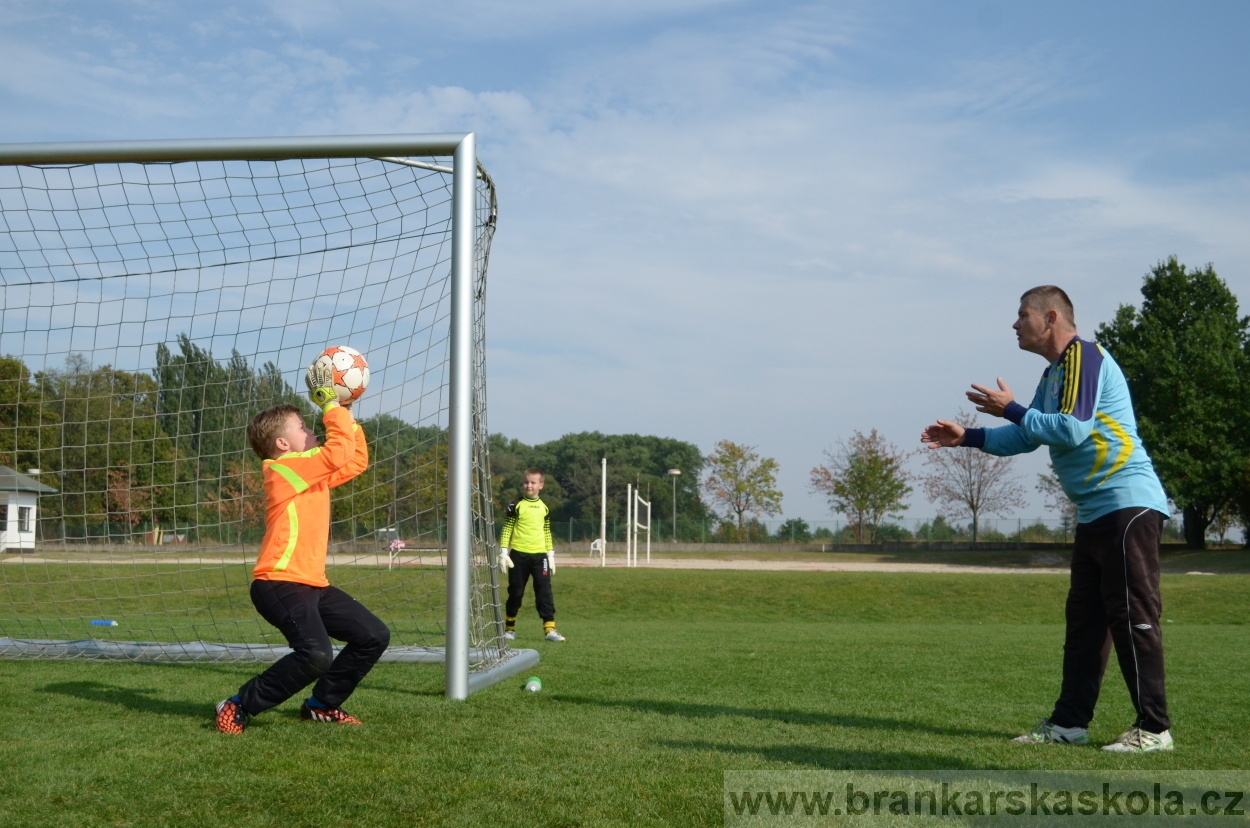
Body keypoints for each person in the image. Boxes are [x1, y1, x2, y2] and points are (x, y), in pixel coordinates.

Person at [921, 285, 1173, 753]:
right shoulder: (1055, 372)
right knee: (1085, 624)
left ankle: (1155, 730)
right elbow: (1025, 436)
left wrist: (1012, 408)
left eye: (1021, 315)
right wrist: (969, 437)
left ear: (1050, 317)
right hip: (1097, 511)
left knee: (1132, 616)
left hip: (1128, 503)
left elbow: (1072, 430)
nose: (1015, 325)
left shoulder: (1085, 357)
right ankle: (1069, 725)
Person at [215, 362, 390, 734]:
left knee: (373, 635)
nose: (312, 431)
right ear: (282, 443)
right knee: (315, 654)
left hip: (313, 584)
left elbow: (354, 460)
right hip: (278, 583)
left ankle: (322, 705)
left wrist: (344, 411)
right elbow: (337, 453)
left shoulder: (308, 471)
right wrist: (330, 406)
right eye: (303, 427)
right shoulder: (282, 469)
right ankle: (237, 704)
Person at [498, 468, 565, 642]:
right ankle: (509, 629)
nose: (529, 485)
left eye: (533, 482)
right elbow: (507, 528)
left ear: (541, 485)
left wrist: (550, 554)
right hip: (518, 556)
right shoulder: (515, 505)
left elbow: (546, 531)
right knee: (516, 592)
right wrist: (503, 551)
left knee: (544, 591)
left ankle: (550, 630)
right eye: (526, 482)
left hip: (540, 557)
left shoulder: (545, 508)